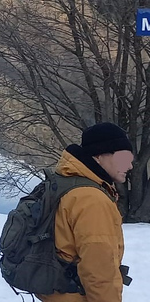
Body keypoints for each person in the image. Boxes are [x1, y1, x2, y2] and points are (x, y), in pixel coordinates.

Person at [36, 122, 134, 302]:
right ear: (99, 155)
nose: (130, 166)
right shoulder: (92, 199)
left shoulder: (67, 183)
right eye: (124, 157)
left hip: (55, 293)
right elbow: (99, 273)